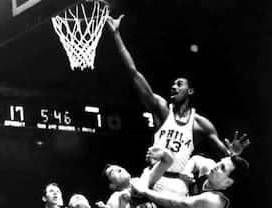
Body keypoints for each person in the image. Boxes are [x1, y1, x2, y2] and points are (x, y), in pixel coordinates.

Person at [106, 15, 250, 197]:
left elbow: (227, 160)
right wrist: (116, 34)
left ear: (190, 91)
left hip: (177, 185)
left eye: (179, 84)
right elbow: (133, 73)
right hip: (152, 177)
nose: (174, 86)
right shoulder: (161, 108)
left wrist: (235, 154)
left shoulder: (201, 124)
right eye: (173, 84)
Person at [130, 153, 250, 208]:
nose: (217, 165)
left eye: (222, 168)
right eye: (221, 161)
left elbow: (178, 203)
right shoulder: (210, 168)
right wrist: (186, 171)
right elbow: (196, 159)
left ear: (227, 183)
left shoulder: (215, 201)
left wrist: (145, 191)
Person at [96, 147, 173, 208]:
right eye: (112, 172)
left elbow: (168, 161)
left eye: (117, 167)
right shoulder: (116, 197)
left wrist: (161, 153)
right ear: (112, 186)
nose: (118, 169)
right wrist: (121, 202)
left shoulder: (144, 179)